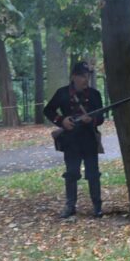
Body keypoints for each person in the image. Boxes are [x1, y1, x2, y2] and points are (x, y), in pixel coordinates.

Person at [44, 61, 105, 218]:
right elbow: (48, 110)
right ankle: (70, 206)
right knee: (71, 173)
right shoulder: (62, 93)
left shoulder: (94, 94)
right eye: (82, 76)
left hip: (89, 139)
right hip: (71, 140)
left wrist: (91, 120)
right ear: (73, 77)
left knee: (93, 173)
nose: (86, 79)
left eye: (87, 76)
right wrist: (62, 120)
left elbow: (100, 118)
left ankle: (97, 206)